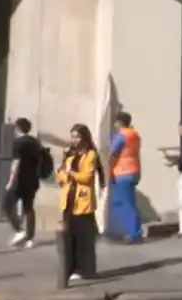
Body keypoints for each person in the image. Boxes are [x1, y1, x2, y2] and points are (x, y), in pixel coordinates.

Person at [56, 124, 105, 283]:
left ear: (84, 138)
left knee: (83, 239)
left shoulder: (90, 155)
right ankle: (71, 268)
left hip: (83, 202)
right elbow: (61, 177)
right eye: (72, 137)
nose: (74, 140)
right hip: (68, 201)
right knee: (69, 238)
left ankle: (85, 269)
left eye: (77, 137)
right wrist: (64, 171)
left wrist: (70, 173)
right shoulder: (70, 156)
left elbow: (87, 177)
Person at [4, 118, 43, 248]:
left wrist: (10, 181)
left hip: (19, 180)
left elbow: (16, 162)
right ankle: (30, 239)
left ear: (18, 129)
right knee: (29, 208)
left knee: (7, 205)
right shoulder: (35, 142)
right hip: (32, 180)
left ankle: (19, 230)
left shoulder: (18, 143)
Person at [107, 112, 143, 243]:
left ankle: (132, 234)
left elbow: (112, 153)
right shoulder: (134, 135)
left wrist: (108, 169)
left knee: (127, 204)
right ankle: (134, 232)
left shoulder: (122, 136)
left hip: (122, 172)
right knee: (130, 203)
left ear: (119, 122)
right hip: (134, 171)